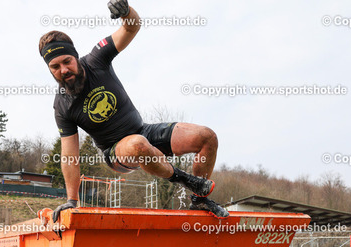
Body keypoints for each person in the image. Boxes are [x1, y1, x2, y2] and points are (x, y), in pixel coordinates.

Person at [40, 0, 229, 221]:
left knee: (206, 137)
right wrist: (72, 200)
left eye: (67, 61)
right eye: (55, 67)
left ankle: (199, 200)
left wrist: (126, 12)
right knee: (138, 144)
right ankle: (186, 180)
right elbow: (69, 156)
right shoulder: (62, 106)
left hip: (143, 131)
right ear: (49, 69)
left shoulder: (96, 59)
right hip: (116, 152)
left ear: (75, 56)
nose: (64, 70)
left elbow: (131, 28)